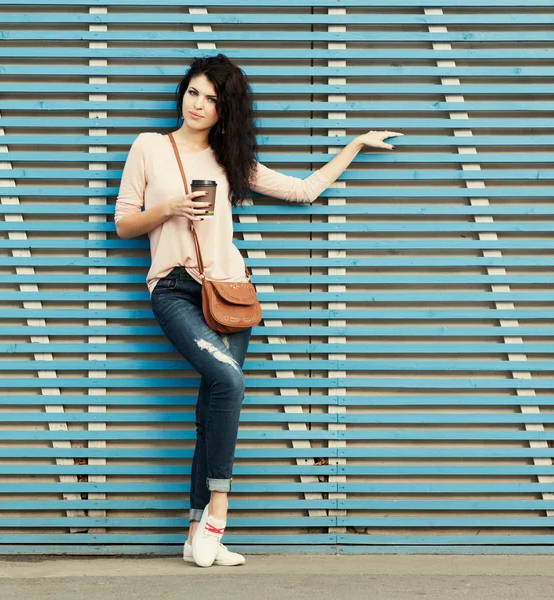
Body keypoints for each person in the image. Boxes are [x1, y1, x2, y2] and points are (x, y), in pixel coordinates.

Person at [114, 53, 403, 568]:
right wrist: (171, 208)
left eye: (212, 99)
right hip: (175, 288)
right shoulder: (149, 147)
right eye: (194, 92)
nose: (199, 104)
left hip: (230, 293)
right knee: (230, 382)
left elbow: (303, 190)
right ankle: (219, 511)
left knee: (211, 411)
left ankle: (195, 532)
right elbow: (123, 223)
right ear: (183, 94)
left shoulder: (231, 161)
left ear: (226, 112)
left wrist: (355, 145)